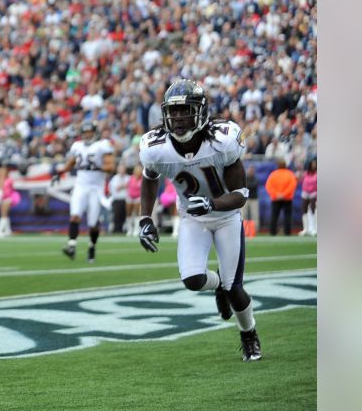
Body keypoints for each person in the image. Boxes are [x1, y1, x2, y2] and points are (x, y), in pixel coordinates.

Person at [137, 79, 262, 362]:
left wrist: (213, 203)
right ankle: (217, 285)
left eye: (185, 111)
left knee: (236, 290)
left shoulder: (223, 141)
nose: (179, 118)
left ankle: (249, 333)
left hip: (227, 217)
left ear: (201, 111)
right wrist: (145, 218)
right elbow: (149, 178)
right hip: (193, 219)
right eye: (174, 112)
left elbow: (240, 195)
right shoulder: (156, 148)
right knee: (193, 279)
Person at [55, 121, 116, 263]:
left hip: (96, 187)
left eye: (89, 132)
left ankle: (92, 246)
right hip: (80, 185)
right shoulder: (77, 146)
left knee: (93, 223)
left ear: (95, 133)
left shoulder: (102, 145)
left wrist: (98, 167)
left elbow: (110, 166)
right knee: (74, 216)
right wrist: (62, 171)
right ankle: (71, 246)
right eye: (84, 132)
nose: (87, 135)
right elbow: (72, 161)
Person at [265, 161, 298, 236]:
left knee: (274, 216)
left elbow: (268, 186)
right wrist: (284, 194)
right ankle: (287, 232)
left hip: (275, 199)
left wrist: (276, 194)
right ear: (285, 165)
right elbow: (292, 185)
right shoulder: (290, 174)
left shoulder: (273, 174)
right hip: (287, 199)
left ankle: (272, 232)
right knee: (287, 216)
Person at [0, 163, 22, 238]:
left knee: (3, 214)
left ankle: (0, 231)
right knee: (4, 214)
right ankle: (8, 231)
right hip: (0, 198)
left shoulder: (9, 179)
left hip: (8, 198)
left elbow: (12, 188)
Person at [298, 157, 317, 237]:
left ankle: (314, 228)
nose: (314, 165)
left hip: (314, 193)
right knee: (304, 209)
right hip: (305, 193)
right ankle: (305, 228)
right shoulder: (306, 174)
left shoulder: (317, 173)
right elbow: (300, 181)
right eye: (312, 164)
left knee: (313, 209)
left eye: (315, 164)